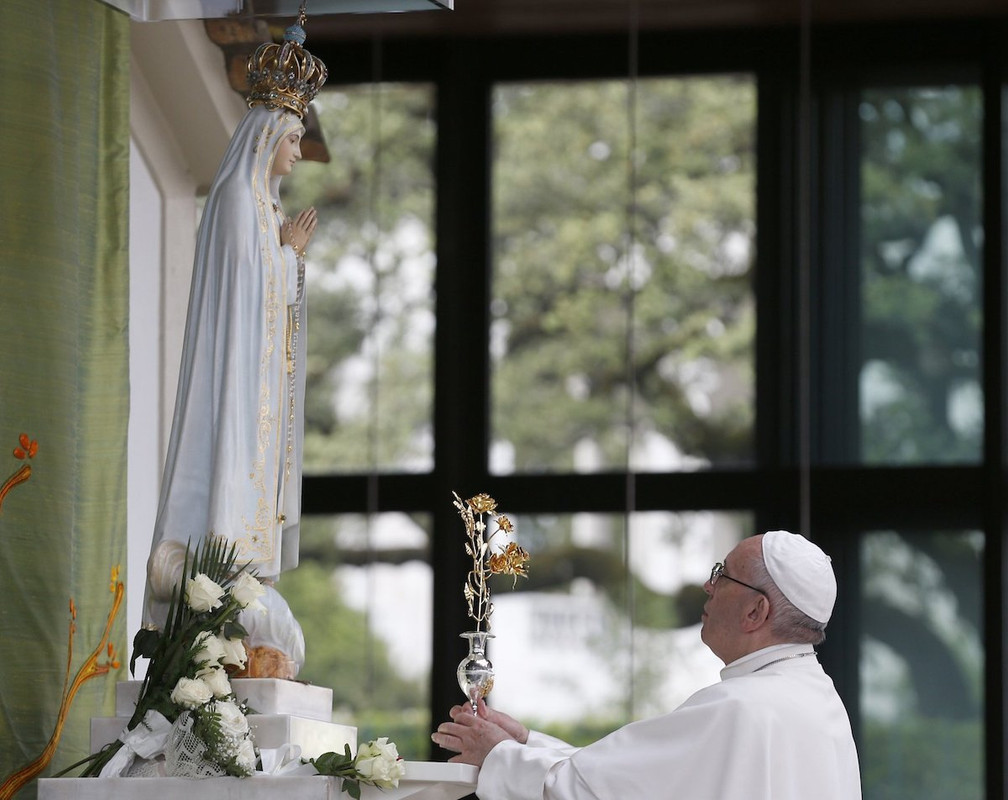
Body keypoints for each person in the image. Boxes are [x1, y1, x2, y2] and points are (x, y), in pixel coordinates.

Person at [143, 12, 327, 678]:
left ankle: (246, 598)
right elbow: (242, 292)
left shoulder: (267, 210)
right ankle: (217, 600)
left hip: (258, 391)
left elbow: (272, 296)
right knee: (226, 494)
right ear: (270, 133)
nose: (298, 151)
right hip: (233, 386)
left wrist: (288, 258)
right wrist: (287, 258)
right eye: (294, 137)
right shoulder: (234, 202)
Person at [432, 530, 862, 799]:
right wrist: (525, 743)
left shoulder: (740, 707)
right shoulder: (820, 702)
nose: (708, 586)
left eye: (723, 575)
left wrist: (499, 756)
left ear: (755, 612)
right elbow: (628, 780)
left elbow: (589, 793)